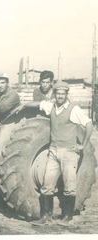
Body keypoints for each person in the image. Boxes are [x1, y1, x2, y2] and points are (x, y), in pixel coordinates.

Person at [20, 81, 93, 226]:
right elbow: (39, 104)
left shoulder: (74, 109)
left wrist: (82, 144)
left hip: (69, 153)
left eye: (62, 94)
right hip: (53, 151)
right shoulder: (51, 106)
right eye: (58, 94)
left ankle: (67, 217)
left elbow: (88, 124)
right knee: (47, 185)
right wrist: (22, 106)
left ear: (66, 94)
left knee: (69, 185)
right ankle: (46, 216)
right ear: (55, 94)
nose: (60, 96)